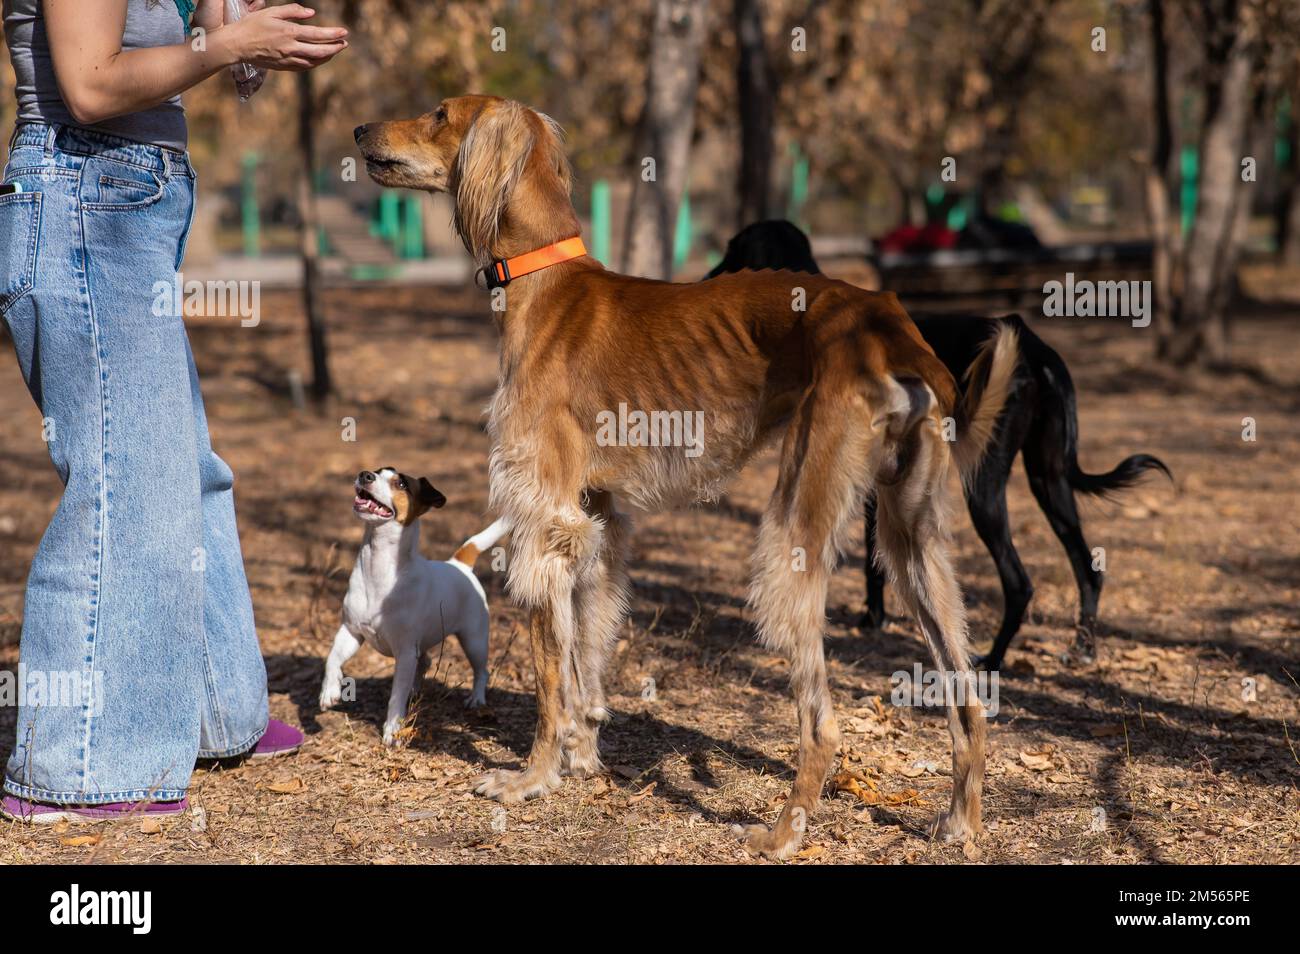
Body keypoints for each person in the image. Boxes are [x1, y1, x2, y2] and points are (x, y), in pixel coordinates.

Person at [0, 0, 346, 822]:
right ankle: (77, 765)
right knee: (125, 486)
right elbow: (87, 86)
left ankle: (211, 713)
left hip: (126, 205)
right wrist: (224, 44)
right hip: (84, 201)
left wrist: (237, 42)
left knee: (181, 467)